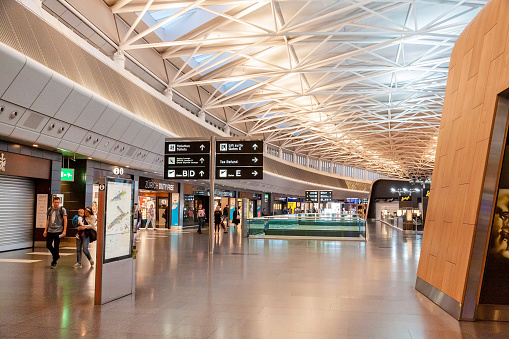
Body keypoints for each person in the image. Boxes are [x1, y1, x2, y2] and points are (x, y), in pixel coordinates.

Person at [44, 196, 67, 269]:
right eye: (55, 202)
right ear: (53, 202)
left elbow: (65, 220)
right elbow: (48, 220)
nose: (56, 204)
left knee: (56, 246)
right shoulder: (50, 209)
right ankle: (56, 255)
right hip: (50, 230)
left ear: (59, 202)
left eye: (58, 202)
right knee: (48, 245)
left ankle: (54, 261)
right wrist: (45, 230)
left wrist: (64, 230)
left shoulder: (62, 210)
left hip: (58, 230)